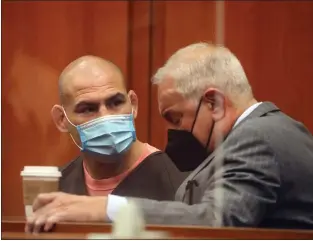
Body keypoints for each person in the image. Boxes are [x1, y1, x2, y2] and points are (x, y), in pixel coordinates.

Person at [26, 43, 313, 233]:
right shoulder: (279, 128)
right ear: (62, 119)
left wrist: (105, 207)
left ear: (212, 104)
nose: (177, 133)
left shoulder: (256, 139)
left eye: (176, 118)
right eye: (88, 108)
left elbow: (215, 221)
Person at [50, 56, 186, 200]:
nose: (105, 117)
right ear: (62, 119)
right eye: (88, 109)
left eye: (115, 103)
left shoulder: (176, 183)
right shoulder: (56, 187)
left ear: (133, 104)